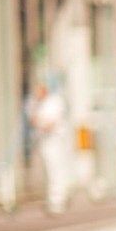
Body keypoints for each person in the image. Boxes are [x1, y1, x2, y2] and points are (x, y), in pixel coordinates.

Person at [25, 83, 72, 214]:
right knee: (45, 171)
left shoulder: (55, 102)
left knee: (55, 170)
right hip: (41, 142)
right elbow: (33, 120)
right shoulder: (33, 103)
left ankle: (57, 201)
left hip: (54, 141)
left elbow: (50, 124)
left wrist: (41, 123)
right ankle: (52, 198)